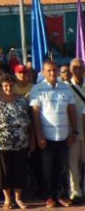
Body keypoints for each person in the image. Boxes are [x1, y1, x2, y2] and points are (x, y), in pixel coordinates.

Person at [30, 60, 77, 208]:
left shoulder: (66, 88)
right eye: (49, 70)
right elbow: (36, 114)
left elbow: (71, 111)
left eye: (54, 70)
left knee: (62, 168)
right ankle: (49, 197)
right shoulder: (37, 89)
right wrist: (39, 135)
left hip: (64, 136)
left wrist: (74, 132)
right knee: (48, 169)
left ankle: (62, 196)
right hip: (46, 137)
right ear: (43, 72)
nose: (52, 73)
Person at [0, 73, 31, 210]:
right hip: (2, 144)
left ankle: (18, 198)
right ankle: (7, 199)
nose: (8, 88)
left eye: (10, 85)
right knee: (5, 172)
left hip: (21, 143)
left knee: (19, 171)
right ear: (0, 87)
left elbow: (30, 120)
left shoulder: (22, 100)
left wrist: (32, 140)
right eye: (5, 85)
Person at [67, 58, 85, 203]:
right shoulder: (66, 86)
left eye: (81, 67)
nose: (78, 70)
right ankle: (75, 192)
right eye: (75, 67)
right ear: (70, 69)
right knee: (73, 164)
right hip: (73, 132)